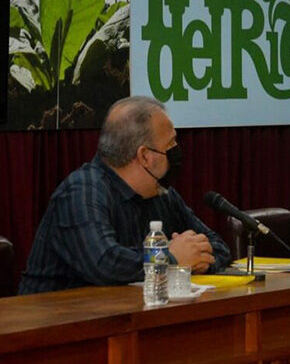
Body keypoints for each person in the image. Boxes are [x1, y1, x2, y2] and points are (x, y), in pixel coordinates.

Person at [19, 96, 231, 294]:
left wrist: (199, 259)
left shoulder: (161, 192)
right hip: (58, 323)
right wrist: (171, 258)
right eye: (171, 145)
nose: (177, 151)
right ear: (145, 156)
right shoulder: (82, 192)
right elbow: (105, 263)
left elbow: (217, 245)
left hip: (128, 315)